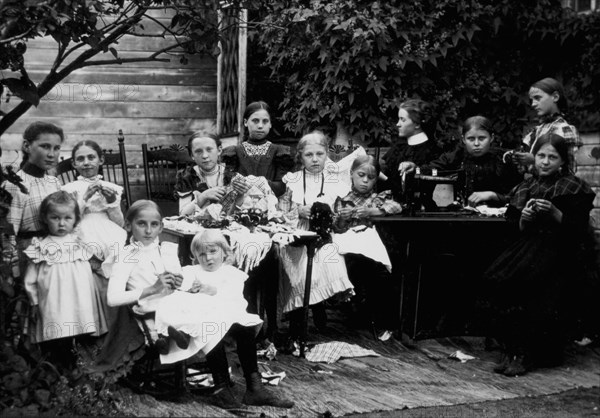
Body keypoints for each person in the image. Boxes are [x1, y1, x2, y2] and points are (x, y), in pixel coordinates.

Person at [107, 201, 293, 410]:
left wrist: (184, 284)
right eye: (141, 224)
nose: (148, 231)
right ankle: (221, 386)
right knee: (211, 320)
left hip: (180, 302)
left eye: (154, 224)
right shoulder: (126, 256)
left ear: (161, 227)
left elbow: (182, 281)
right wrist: (151, 288)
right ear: (129, 225)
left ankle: (254, 387)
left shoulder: (164, 250)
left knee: (241, 321)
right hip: (154, 311)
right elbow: (112, 298)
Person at [480, 133, 595, 377]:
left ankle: (526, 354)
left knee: (532, 286)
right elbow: (514, 229)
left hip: (561, 250)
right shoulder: (525, 187)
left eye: (552, 157)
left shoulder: (574, 187)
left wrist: (555, 212)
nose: (545, 161)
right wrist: (524, 218)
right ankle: (512, 349)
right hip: (528, 246)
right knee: (497, 279)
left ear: (562, 161)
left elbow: (578, 230)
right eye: (541, 155)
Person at [278, 131, 354, 338]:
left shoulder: (335, 182)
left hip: (323, 237)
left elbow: (340, 219)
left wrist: (339, 216)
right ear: (300, 156)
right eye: (308, 155)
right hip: (296, 235)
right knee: (300, 272)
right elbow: (279, 213)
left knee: (330, 260)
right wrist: (297, 211)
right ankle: (298, 325)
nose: (314, 159)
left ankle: (318, 305)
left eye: (319, 154)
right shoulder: (292, 180)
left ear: (326, 154)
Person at [23, 191, 108, 369]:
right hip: (55, 299)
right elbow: (30, 279)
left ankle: (82, 368)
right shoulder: (41, 246)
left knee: (81, 331)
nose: (62, 223)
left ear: (76, 219)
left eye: (67, 218)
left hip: (80, 298)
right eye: (55, 218)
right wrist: (34, 300)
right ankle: (58, 368)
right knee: (58, 332)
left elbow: (97, 264)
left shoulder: (80, 243)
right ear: (45, 218)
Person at [332, 155, 402, 341]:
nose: (365, 181)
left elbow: (396, 207)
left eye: (370, 178)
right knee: (355, 268)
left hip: (373, 247)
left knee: (379, 275)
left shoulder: (378, 197)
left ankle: (381, 321)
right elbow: (337, 229)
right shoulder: (343, 199)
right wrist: (342, 219)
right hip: (350, 248)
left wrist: (372, 211)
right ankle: (358, 315)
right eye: (361, 175)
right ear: (352, 174)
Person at [402, 116, 522, 207]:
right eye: (471, 139)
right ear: (463, 139)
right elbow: (432, 169)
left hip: (498, 219)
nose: (476, 144)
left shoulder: (504, 159)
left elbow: (518, 194)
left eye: (482, 138)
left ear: (492, 138)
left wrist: (492, 195)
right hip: (465, 214)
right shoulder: (456, 157)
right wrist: (414, 167)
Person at [3, 122, 64, 276]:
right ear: (27, 146)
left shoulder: (54, 182)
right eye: (45, 146)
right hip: (30, 256)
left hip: (57, 251)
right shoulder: (15, 185)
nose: (52, 154)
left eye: (56, 148)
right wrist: (13, 271)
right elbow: (9, 233)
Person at [61, 140, 126, 261]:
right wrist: (84, 199)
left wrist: (112, 202)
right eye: (80, 159)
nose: (86, 163)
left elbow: (119, 224)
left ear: (101, 160)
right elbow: (67, 221)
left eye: (91, 158)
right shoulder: (69, 189)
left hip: (108, 230)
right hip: (81, 230)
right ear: (74, 163)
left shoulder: (112, 188)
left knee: (116, 251)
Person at [221, 101, 295, 198]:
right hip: (241, 206)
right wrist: (236, 184)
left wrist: (259, 183)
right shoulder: (234, 152)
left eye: (265, 121)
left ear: (270, 124)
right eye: (255, 121)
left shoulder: (279, 152)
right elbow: (229, 183)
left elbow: (281, 187)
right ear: (245, 122)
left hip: (271, 206)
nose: (260, 126)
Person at [511, 77, 580, 172]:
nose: (533, 104)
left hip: (555, 185)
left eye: (537, 98)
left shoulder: (564, 129)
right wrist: (521, 159)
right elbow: (527, 168)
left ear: (555, 97)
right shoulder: (536, 130)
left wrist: (534, 160)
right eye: (532, 100)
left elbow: (570, 169)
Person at [381, 98, 441, 207]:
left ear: (417, 124)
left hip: (419, 208)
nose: (398, 124)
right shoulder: (399, 146)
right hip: (392, 205)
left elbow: (421, 184)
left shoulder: (430, 150)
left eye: (402, 120)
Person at [174, 132, 238, 217]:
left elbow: (237, 212)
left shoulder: (231, 176)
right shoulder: (187, 177)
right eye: (198, 151)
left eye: (209, 149)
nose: (205, 156)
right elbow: (183, 214)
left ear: (219, 150)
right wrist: (204, 196)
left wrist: (240, 196)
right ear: (192, 155)